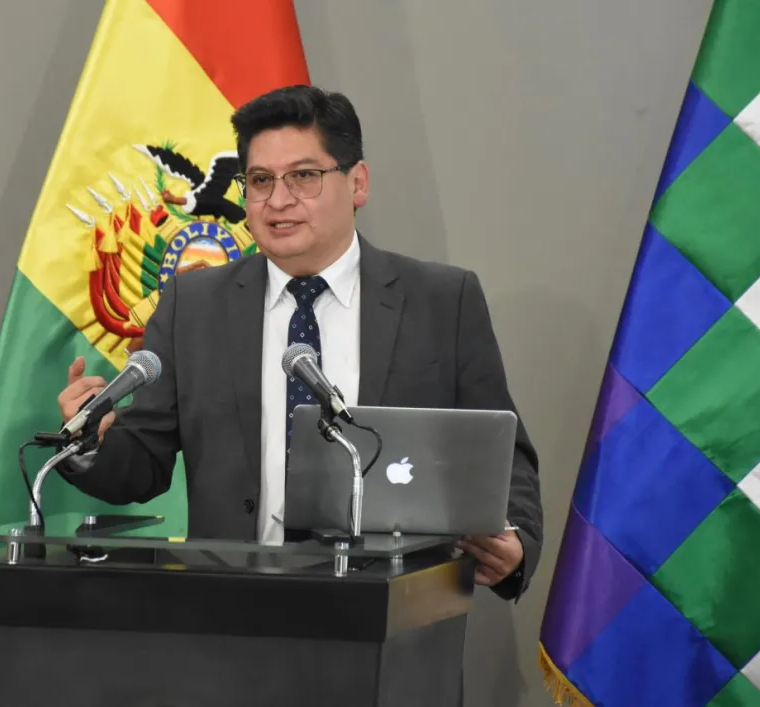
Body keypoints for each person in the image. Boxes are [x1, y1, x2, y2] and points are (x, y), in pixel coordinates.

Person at [57, 85, 542, 601]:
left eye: (304, 177)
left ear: (358, 182)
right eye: (261, 181)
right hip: (231, 612)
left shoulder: (441, 300)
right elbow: (143, 463)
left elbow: (500, 449)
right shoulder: (193, 305)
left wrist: (516, 539)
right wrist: (92, 439)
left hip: (391, 614)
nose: (278, 200)